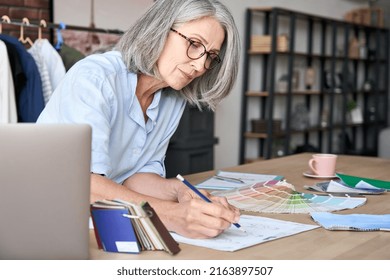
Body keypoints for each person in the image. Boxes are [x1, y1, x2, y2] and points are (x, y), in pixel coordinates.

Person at [37, 0, 240, 239]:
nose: (199, 65)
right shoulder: (95, 78)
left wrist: (181, 192)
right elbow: (84, 185)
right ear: (160, 28)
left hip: (99, 220)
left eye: (211, 56)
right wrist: (172, 215)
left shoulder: (172, 98)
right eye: (194, 44)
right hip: (43, 219)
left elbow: (137, 177)